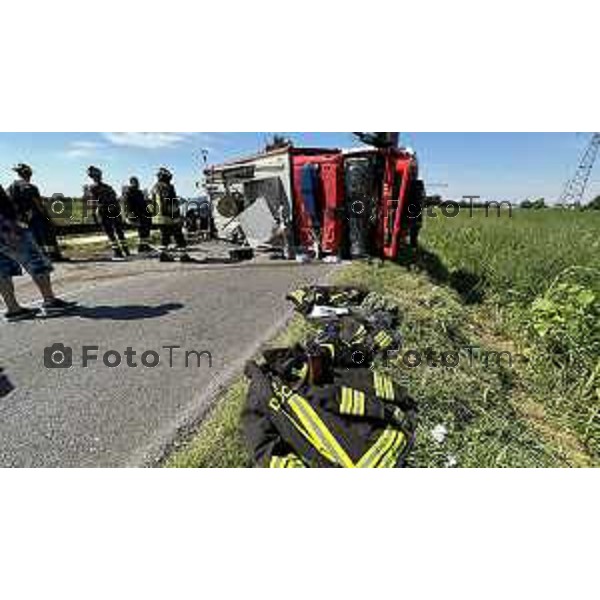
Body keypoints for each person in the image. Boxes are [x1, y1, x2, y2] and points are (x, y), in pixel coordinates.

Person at [0, 183, 76, 322]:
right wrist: (11, 224)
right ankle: (49, 301)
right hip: (5, 225)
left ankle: (13, 309)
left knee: (2, 269)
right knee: (35, 260)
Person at [8, 164, 65, 262]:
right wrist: (48, 218)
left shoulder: (11, 187)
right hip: (36, 215)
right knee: (47, 235)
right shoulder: (31, 187)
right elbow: (38, 204)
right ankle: (53, 256)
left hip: (23, 217)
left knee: (33, 238)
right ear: (28, 174)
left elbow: (10, 203)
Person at [84, 166, 130, 260]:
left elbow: (92, 203)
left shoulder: (93, 188)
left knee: (110, 233)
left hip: (104, 211)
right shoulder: (108, 187)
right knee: (119, 231)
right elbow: (115, 199)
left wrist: (94, 215)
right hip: (114, 210)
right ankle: (126, 251)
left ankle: (118, 253)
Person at [150, 167, 191, 262]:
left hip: (157, 217)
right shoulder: (167, 187)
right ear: (166, 177)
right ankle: (183, 256)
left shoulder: (155, 187)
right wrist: (177, 216)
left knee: (165, 236)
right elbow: (169, 203)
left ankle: (163, 255)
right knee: (179, 236)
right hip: (168, 216)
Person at [123, 176, 152, 252]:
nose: (138, 184)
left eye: (138, 182)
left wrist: (148, 212)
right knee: (142, 231)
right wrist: (130, 215)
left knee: (145, 230)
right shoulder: (129, 192)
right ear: (132, 183)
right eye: (136, 182)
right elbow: (127, 205)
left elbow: (143, 203)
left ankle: (144, 245)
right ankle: (142, 247)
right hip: (137, 214)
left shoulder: (139, 192)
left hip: (144, 214)